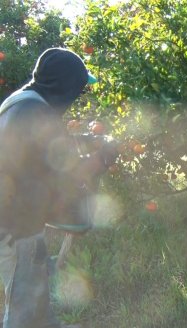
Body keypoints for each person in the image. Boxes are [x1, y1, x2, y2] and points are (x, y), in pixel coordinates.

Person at [0, 48, 118, 328]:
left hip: (16, 214)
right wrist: (102, 158)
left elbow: (44, 146)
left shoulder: (21, 102)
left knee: (35, 279)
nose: (77, 96)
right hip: (15, 225)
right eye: (77, 89)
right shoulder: (37, 113)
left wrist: (85, 139)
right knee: (23, 301)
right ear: (64, 86)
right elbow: (68, 173)